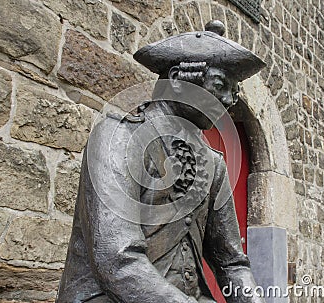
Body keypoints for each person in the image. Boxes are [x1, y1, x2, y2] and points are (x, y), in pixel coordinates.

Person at [56, 20, 266, 303]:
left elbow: (231, 262)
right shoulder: (117, 136)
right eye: (220, 84)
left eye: (234, 91)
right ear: (178, 81)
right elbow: (118, 260)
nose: (229, 100)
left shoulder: (213, 163)